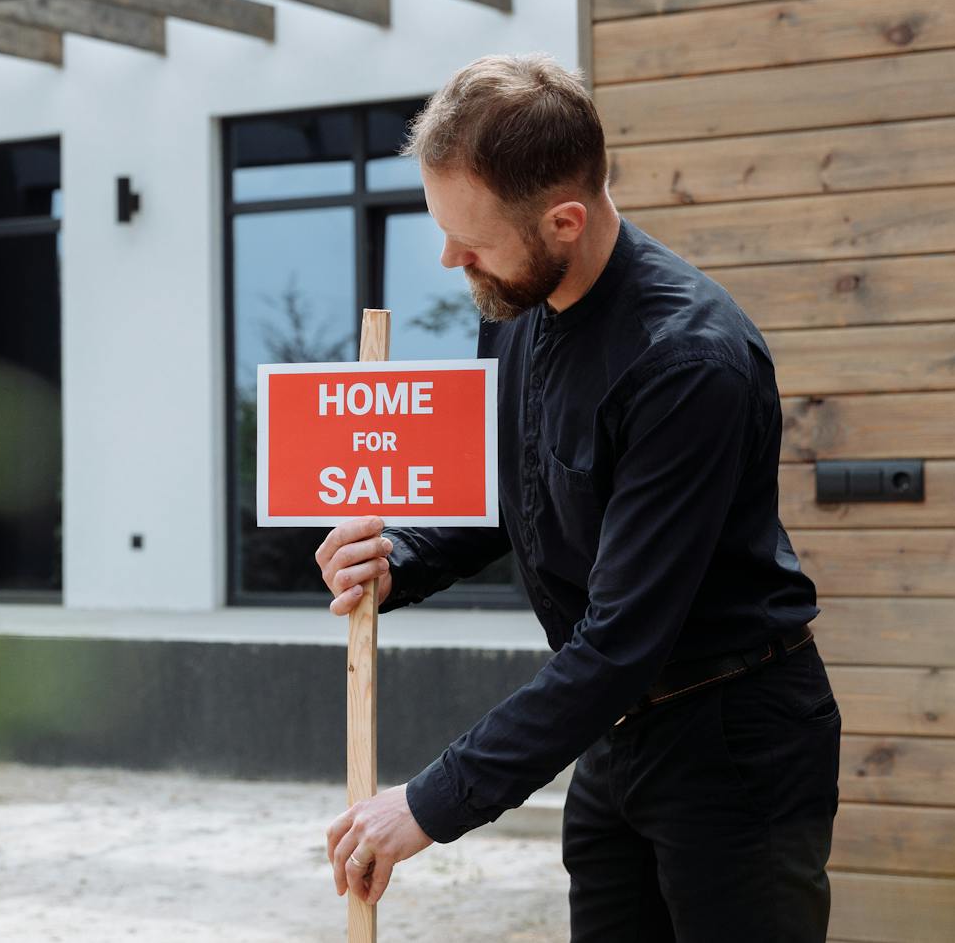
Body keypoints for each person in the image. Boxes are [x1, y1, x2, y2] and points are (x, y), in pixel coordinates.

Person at [316, 53, 838, 941]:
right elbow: (512, 488)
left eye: (470, 239)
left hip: (733, 745)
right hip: (614, 739)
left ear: (564, 219)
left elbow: (620, 642)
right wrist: (398, 558)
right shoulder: (517, 303)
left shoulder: (689, 362)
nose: (450, 259)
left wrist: (430, 803)